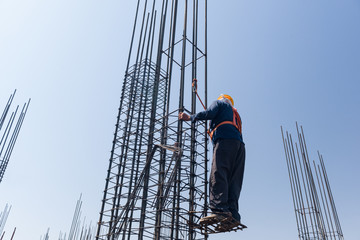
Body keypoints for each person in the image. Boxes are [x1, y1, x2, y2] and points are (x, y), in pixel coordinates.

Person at [179, 94, 246, 230]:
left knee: (219, 173)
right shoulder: (235, 115)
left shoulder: (220, 103)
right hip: (239, 147)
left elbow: (209, 113)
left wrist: (191, 117)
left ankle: (219, 210)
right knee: (233, 181)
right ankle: (233, 216)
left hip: (224, 142)